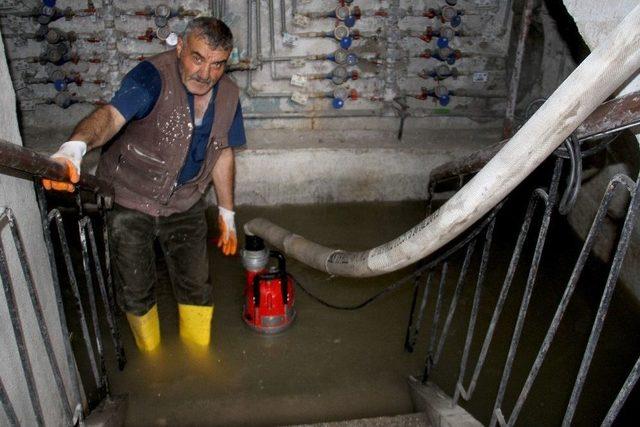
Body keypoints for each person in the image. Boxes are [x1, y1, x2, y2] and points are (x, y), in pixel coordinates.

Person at [42, 17, 246, 352]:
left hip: (185, 201)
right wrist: (75, 147)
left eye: (217, 64)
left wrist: (227, 212)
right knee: (135, 286)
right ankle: (151, 358)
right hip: (129, 198)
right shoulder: (151, 77)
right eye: (197, 58)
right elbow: (110, 116)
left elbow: (222, 152)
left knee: (197, 284)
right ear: (180, 47)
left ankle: (197, 358)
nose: (205, 74)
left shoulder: (229, 95)